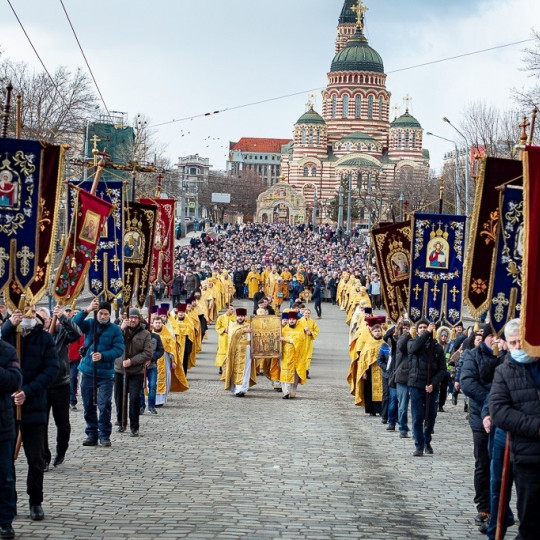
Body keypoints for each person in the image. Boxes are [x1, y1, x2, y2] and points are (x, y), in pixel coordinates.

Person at [2, 306, 59, 521]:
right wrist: (9, 326)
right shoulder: (8, 333)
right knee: (7, 459)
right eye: (24, 309)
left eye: (32, 310)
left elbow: (51, 369)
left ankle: (35, 500)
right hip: (8, 406)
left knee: (35, 458)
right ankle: (10, 501)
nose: (28, 313)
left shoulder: (44, 338)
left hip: (34, 404)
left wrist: (27, 391)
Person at [490, 318, 540, 540]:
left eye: (521, 341)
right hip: (527, 456)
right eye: (513, 343)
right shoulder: (504, 371)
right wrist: (536, 427)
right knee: (530, 521)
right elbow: (500, 411)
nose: (518, 346)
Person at [461, 324, 502, 528]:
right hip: (480, 417)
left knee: (500, 463)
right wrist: (493, 399)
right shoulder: (472, 355)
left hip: (502, 417)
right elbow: (467, 383)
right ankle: (483, 506)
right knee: (483, 462)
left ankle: (500, 506)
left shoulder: (506, 356)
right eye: (491, 335)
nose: (495, 339)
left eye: (498, 336)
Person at [73, 299, 124, 447]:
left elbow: (119, 349)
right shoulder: (90, 324)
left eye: (106, 314)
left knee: (104, 404)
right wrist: (87, 310)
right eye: (100, 313)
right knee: (88, 404)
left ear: (109, 314)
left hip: (106, 373)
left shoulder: (115, 330)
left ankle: (104, 434)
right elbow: (74, 323)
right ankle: (91, 433)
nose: (103, 316)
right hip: (88, 371)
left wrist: (103, 355)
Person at [38, 306, 82, 469]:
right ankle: (44, 457)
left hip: (60, 384)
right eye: (38, 319)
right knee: (41, 423)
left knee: (62, 423)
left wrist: (63, 317)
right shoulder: (33, 335)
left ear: (50, 319)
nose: (41, 323)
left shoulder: (60, 331)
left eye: (44, 319)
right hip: (41, 386)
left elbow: (76, 334)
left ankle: (61, 449)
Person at [407, 318, 446, 457]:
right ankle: (419, 444)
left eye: (426, 327)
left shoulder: (437, 347)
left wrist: (433, 384)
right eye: (421, 327)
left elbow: (442, 369)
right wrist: (426, 333)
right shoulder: (412, 342)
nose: (423, 329)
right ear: (417, 330)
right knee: (417, 417)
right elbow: (415, 348)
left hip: (431, 387)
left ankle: (427, 440)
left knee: (430, 417)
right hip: (416, 385)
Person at [115, 309, 152, 437]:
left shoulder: (145, 333)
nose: (133, 320)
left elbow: (147, 353)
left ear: (139, 319)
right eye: (131, 317)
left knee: (135, 398)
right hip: (120, 370)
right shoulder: (119, 330)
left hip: (136, 371)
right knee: (119, 397)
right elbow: (112, 343)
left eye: (135, 318)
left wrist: (132, 361)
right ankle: (121, 422)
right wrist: (121, 329)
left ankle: (134, 426)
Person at [0, 338, 23, 540]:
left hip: (2, 425)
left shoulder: (7, 350)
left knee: (4, 476)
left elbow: (14, 381)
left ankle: (5, 521)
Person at [223, 308, 256, 397]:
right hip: (235, 351)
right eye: (238, 316)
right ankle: (236, 389)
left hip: (247, 351)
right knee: (236, 369)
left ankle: (243, 389)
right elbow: (233, 334)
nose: (240, 318)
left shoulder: (249, 325)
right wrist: (243, 330)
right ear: (236, 316)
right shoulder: (232, 325)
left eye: (242, 316)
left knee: (246, 370)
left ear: (245, 317)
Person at [279, 311, 307, 399]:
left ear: (296, 320)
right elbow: (279, 340)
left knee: (294, 375)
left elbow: (299, 340)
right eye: (290, 319)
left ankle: (292, 392)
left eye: (293, 319)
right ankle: (286, 392)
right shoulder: (284, 329)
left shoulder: (300, 329)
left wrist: (286, 339)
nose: (291, 321)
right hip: (285, 355)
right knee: (285, 373)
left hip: (296, 355)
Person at [140, 318, 164, 415]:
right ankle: (141, 406)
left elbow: (160, 350)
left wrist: (152, 358)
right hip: (140, 366)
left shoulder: (156, 337)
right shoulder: (138, 337)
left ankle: (151, 406)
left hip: (152, 366)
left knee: (153, 386)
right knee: (140, 387)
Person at [215, 304, 236, 375]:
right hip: (223, 337)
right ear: (227, 309)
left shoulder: (235, 317)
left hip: (232, 337)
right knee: (222, 351)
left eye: (233, 309)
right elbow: (217, 327)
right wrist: (224, 330)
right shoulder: (221, 317)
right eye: (231, 309)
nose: (232, 310)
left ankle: (230, 367)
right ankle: (221, 367)